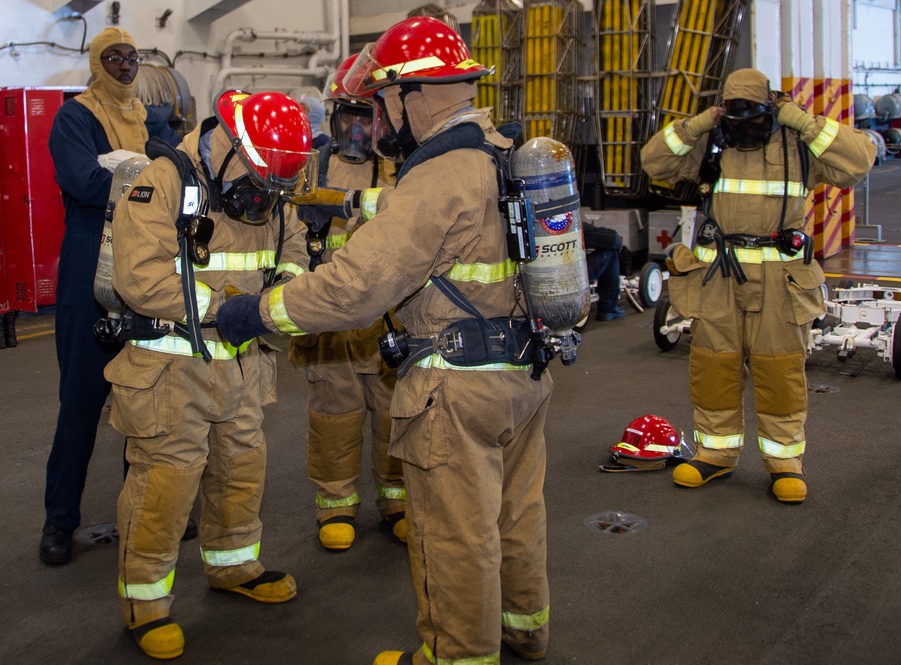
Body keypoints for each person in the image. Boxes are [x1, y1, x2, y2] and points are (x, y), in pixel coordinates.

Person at [216, 17, 554, 665]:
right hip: (524, 371)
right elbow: (436, 218)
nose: (375, 120)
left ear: (409, 95)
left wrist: (257, 313)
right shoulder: (497, 150)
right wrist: (350, 206)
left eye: (381, 103)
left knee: (454, 533)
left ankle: (455, 655)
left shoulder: (437, 177)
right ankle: (524, 628)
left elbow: (354, 289)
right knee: (517, 512)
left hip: (457, 389)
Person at [105, 89, 312, 659]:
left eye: (277, 188)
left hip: (243, 365)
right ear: (230, 145)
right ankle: (144, 603)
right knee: (165, 484)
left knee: (241, 468)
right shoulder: (163, 181)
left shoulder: (271, 185)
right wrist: (224, 309)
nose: (266, 198)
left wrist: (281, 294)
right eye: (261, 180)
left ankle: (233, 565)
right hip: (172, 366)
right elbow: (141, 279)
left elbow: (292, 248)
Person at [640, 68, 875, 503]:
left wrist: (801, 120)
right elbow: (654, 162)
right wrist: (700, 124)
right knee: (714, 368)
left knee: (779, 370)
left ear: (772, 108)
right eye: (735, 118)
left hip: (779, 283)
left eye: (754, 117)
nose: (745, 128)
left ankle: (785, 462)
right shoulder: (713, 142)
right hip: (718, 280)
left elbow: (858, 161)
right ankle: (715, 453)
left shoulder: (798, 144)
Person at [41, 27, 182, 566]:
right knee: (80, 405)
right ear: (97, 64)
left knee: (145, 401)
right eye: (114, 58)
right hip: (88, 272)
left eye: (131, 58)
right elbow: (82, 181)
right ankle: (59, 522)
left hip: (146, 270)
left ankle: (144, 517)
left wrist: (127, 172)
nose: (125, 66)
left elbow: (177, 171)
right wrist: (147, 179)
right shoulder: (74, 118)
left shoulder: (152, 117)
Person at [289, 54, 406, 551]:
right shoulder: (309, 167)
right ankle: (335, 504)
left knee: (392, 414)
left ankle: (396, 499)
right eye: (349, 117)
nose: (357, 129)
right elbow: (287, 237)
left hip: (386, 321)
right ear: (333, 118)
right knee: (333, 417)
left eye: (366, 117)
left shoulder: (396, 170)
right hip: (332, 324)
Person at [582, 222, 626, 321]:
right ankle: (608, 309)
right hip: (573, 274)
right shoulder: (569, 223)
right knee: (611, 253)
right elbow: (614, 241)